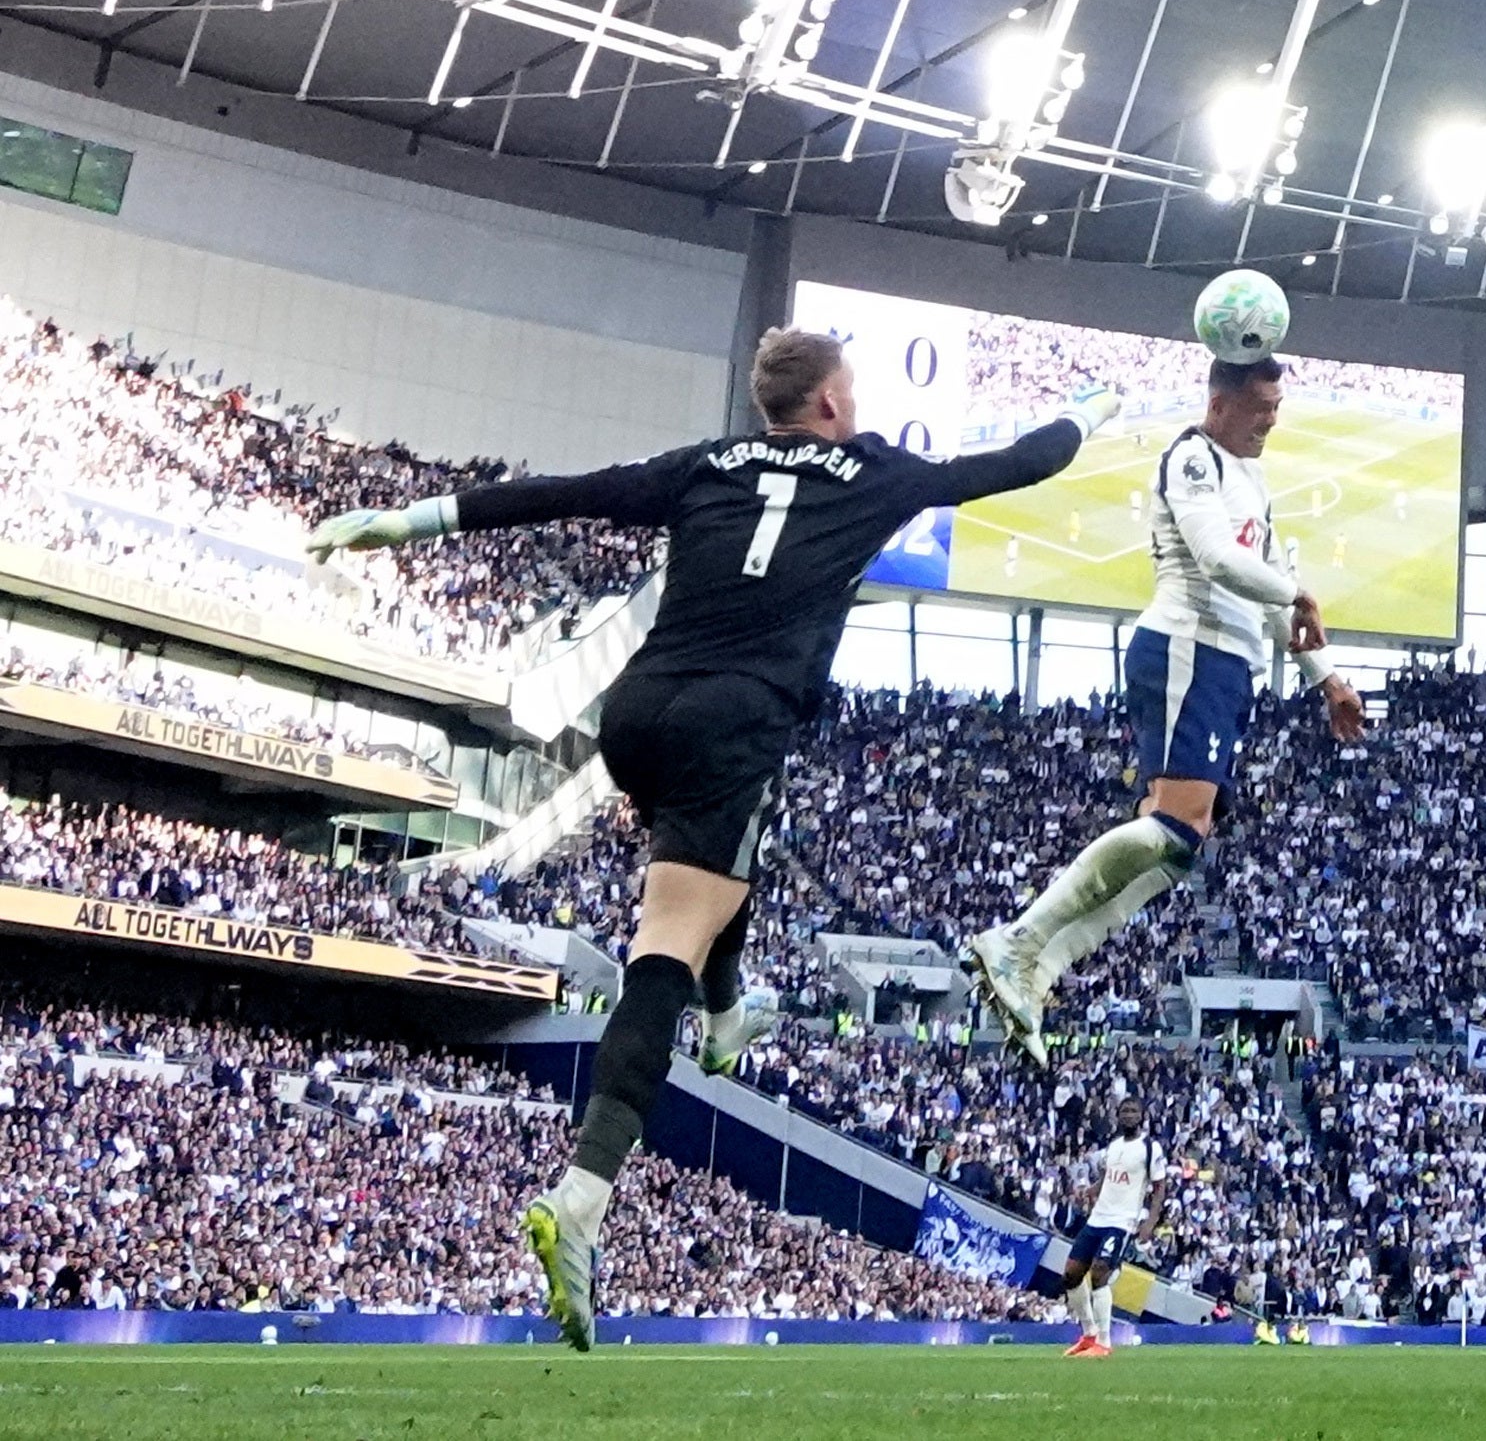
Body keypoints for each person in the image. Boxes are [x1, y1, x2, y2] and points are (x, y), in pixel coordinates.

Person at [304, 327, 1118, 1350]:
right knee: (664, 951)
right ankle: (584, 1196)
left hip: (637, 713)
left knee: (726, 863)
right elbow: (1021, 463)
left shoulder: (708, 463)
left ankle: (728, 1018)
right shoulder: (875, 472)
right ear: (830, 403)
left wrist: (405, 520)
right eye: (852, 392)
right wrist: (1090, 410)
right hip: (735, 719)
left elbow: (563, 493)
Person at [964, 355, 1366, 1062]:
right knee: (1175, 824)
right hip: (1188, 645)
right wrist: (1294, 593)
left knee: (1180, 846)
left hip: (1225, 661)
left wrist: (1327, 679)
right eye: (1262, 406)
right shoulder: (1192, 458)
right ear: (1221, 404)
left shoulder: (1252, 478)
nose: (1272, 419)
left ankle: (1039, 967)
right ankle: (1019, 941)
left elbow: (1270, 591)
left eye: (1277, 406)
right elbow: (1217, 560)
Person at [1061, 1095, 1167, 1357]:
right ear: (1118, 1116)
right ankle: (1088, 1334)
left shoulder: (1150, 1148)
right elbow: (1108, 1178)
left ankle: (1104, 1342)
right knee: (1071, 1274)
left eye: (1133, 1111)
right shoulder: (1114, 1146)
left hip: (1122, 1221)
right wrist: (1091, 1191)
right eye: (1124, 1111)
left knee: (1099, 1273)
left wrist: (1150, 1222)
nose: (1129, 1115)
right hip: (1098, 1217)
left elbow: (1159, 1187)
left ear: (1141, 1116)